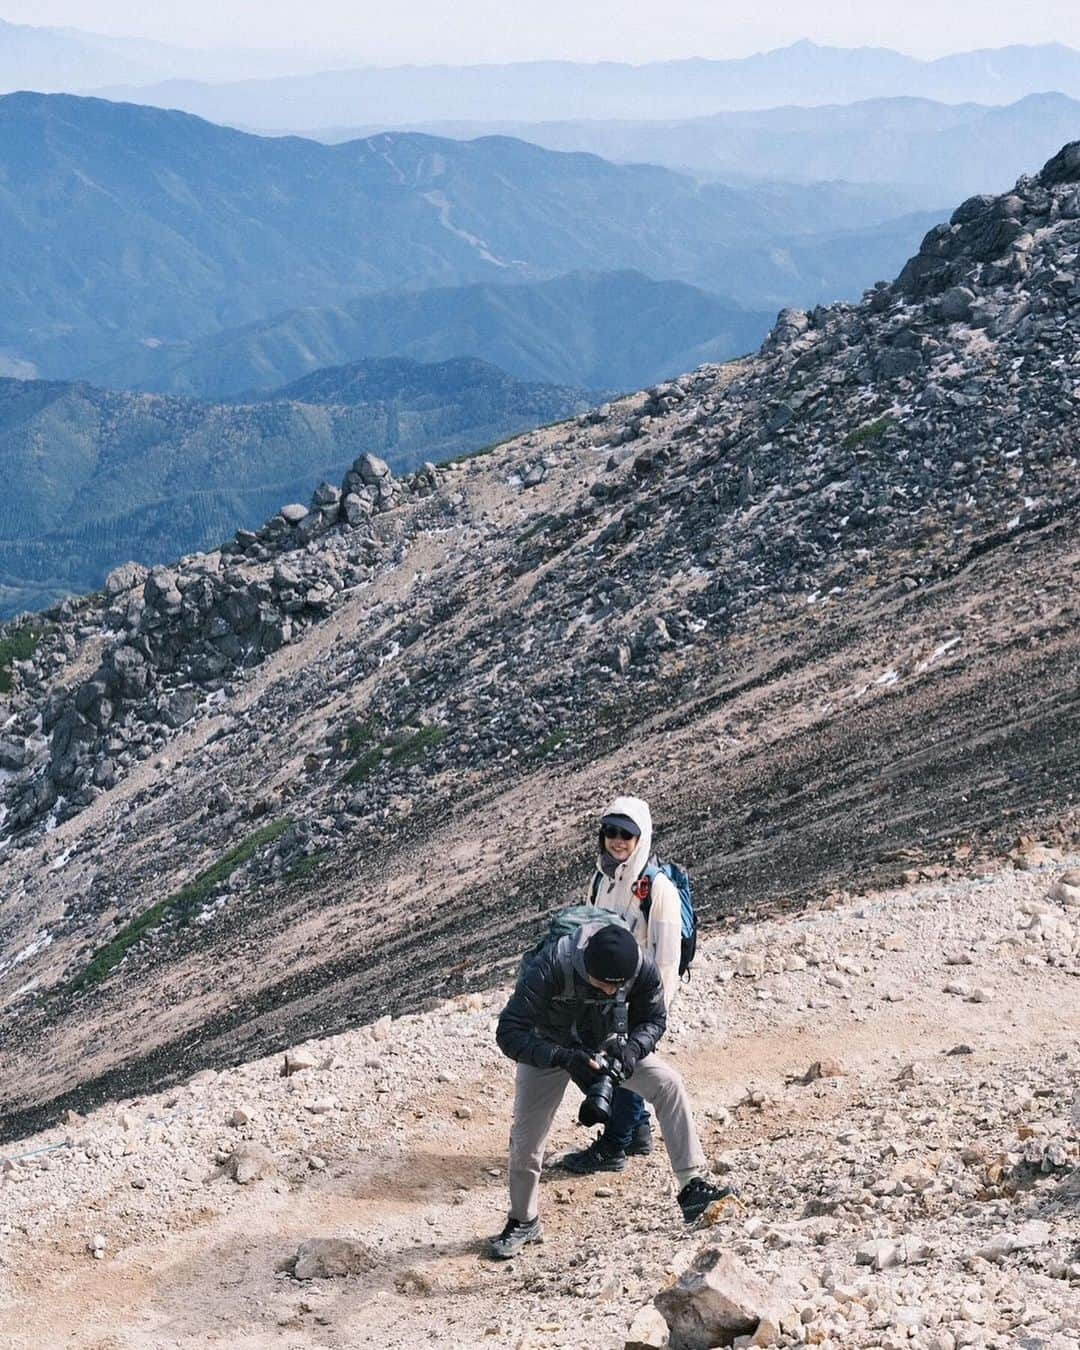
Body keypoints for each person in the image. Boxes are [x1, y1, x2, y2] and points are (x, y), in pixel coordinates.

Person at [488, 919, 733, 1259]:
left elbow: (653, 1019)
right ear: (585, 966)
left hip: (606, 1045)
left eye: (617, 988)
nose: (609, 992)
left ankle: (692, 1186)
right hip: (549, 1045)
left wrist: (631, 1050)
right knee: (527, 1138)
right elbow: (510, 1032)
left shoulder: (639, 967)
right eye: (602, 985)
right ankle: (523, 1220)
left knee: (669, 1084)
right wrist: (562, 1057)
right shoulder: (551, 965)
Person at [561, 795, 680, 1174]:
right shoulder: (602, 879)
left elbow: (667, 955)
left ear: (640, 837)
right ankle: (638, 1131)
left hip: (640, 993)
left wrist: (655, 1006)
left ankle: (613, 1147)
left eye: (626, 834)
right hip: (605, 989)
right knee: (611, 1056)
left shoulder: (658, 889)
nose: (617, 840)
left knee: (621, 1061)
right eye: (611, 831)